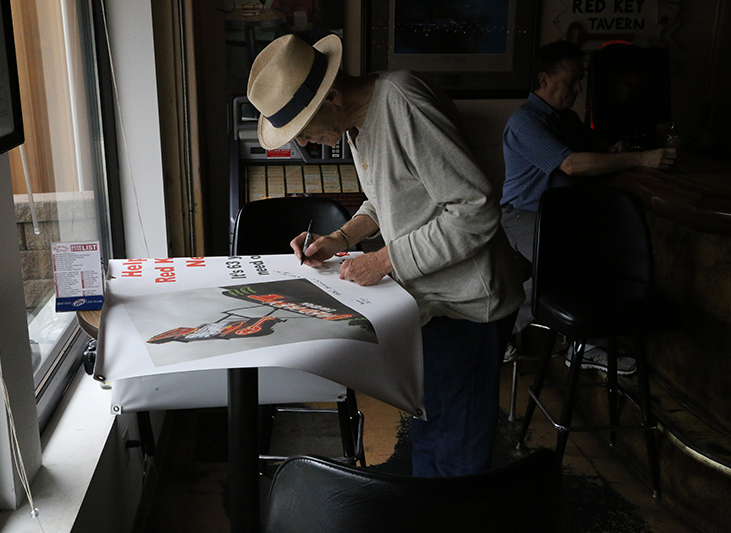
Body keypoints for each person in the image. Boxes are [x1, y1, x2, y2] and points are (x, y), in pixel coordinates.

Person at [247, 33, 523, 477]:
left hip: (467, 304)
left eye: (307, 129)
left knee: (458, 447)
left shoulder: (402, 103)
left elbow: (475, 209)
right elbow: (387, 198)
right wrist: (341, 236)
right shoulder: (356, 118)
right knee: (429, 425)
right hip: (430, 301)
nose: (311, 144)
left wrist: (383, 260)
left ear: (332, 94)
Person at [501, 40, 677, 374]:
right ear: (545, 81)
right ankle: (568, 344)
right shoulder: (526, 122)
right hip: (524, 215)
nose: (579, 88)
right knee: (568, 269)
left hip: (563, 218)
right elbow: (571, 165)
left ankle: (571, 341)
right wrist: (641, 158)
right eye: (572, 80)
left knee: (593, 262)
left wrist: (615, 149)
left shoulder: (564, 119)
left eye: (580, 79)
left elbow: (594, 151)